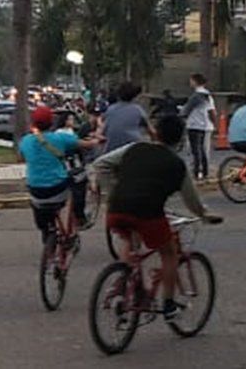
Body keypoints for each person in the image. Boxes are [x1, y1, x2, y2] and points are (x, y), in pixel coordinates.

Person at [93, 115, 222, 320]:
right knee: (170, 253)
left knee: (129, 238)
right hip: (148, 213)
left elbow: (100, 165)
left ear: (157, 133)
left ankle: (126, 279)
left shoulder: (134, 148)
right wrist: (205, 215)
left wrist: (114, 190)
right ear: (180, 140)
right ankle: (169, 304)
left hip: (117, 207)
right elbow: (192, 201)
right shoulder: (177, 164)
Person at [18, 106, 98, 249]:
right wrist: (97, 140)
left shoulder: (25, 141)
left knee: (42, 210)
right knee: (78, 181)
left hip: (35, 189)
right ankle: (77, 220)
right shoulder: (61, 138)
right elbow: (87, 145)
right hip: (58, 188)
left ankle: (47, 233)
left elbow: (22, 158)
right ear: (52, 122)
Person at [180, 73, 218, 180]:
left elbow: (185, 111)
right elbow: (212, 112)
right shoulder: (208, 95)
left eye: (191, 80)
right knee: (202, 150)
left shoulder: (196, 96)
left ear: (195, 82)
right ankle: (204, 172)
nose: (190, 82)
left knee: (195, 150)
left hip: (194, 125)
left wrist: (181, 113)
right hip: (204, 125)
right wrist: (215, 124)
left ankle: (197, 172)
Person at [101, 81, 154, 153]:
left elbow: (104, 131)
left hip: (111, 150)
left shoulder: (111, 109)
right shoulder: (138, 109)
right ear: (135, 96)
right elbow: (152, 131)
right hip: (132, 149)